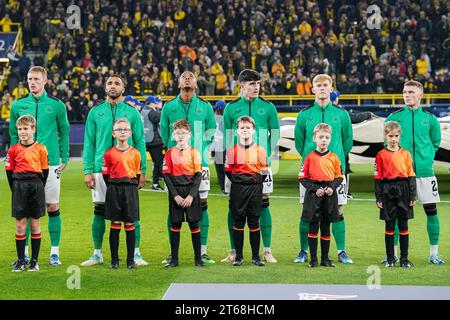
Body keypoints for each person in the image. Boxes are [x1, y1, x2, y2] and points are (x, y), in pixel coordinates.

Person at [82, 74, 148, 267]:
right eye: (109, 83)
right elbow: (89, 142)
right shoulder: (95, 112)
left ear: (123, 89)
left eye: (117, 83)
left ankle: (135, 253)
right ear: (105, 87)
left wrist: (142, 169)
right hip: (100, 169)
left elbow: (140, 141)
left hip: (128, 170)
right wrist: (88, 170)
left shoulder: (133, 113)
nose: (112, 86)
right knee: (100, 210)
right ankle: (97, 254)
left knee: (131, 212)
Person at [9, 66, 70, 267]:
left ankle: (54, 252)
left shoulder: (57, 105)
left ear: (45, 81)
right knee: (25, 210)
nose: (32, 82)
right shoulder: (18, 105)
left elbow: (64, 130)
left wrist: (64, 156)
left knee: (52, 206)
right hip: (25, 167)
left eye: (36, 79)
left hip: (50, 163)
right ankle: (24, 254)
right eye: (29, 79)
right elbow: (12, 134)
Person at [294, 74, 353, 265]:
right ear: (312, 89)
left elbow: (347, 143)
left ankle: (341, 250)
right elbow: (300, 143)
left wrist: (333, 161)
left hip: (335, 173)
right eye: (317, 85)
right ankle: (303, 251)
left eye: (325, 85)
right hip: (310, 174)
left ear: (331, 88)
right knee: (307, 211)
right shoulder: (304, 115)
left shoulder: (342, 114)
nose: (321, 88)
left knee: (338, 210)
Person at [222, 69, 280, 264]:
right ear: (241, 86)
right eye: (252, 84)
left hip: (261, 167)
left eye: (258, 84)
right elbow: (228, 137)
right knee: (234, 208)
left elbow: (276, 134)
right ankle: (233, 251)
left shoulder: (268, 107)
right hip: (237, 167)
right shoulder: (231, 108)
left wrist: (265, 156)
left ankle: (267, 250)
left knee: (264, 206)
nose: (256, 88)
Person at [160, 71, 216, 265]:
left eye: (191, 77)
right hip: (175, 164)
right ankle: (171, 252)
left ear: (196, 83)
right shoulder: (168, 107)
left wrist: (199, 147)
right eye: (183, 77)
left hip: (198, 164)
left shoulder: (205, 106)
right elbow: (164, 130)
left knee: (202, 205)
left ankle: (203, 251)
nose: (187, 79)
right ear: (178, 83)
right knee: (173, 205)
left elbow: (211, 130)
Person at [385, 80, 444, 264]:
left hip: (425, 173)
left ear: (420, 95)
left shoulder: (430, 119)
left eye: (411, 92)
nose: (407, 95)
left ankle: (434, 253)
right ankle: (393, 255)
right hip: (400, 175)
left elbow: (435, 142)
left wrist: (426, 158)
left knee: (431, 211)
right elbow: (386, 145)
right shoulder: (393, 119)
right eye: (404, 91)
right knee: (396, 215)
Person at [6, 115, 49, 272]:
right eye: (20, 129)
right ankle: (20, 260)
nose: (22, 132)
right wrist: (17, 188)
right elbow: (9, 173)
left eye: (25, 129)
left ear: (33, 129)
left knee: (35, 223)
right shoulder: (13, 150)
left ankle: (34, 261)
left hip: (36, 185)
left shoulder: (41, 149)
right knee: (20, 224)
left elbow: (45, 172)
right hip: (19, 186)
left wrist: (38, 187)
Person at [224, 116, 267, 267]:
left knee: (254, 221)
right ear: (237, 131)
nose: (245, 130)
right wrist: (240, 180)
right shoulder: (232, 151)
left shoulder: (260, 150)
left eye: (248, 128)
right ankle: (239, 257)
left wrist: (252, 181)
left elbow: (264, 172)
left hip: (255, 189)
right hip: (238, 189)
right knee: (239, 221)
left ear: (253, 131)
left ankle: (256, 257)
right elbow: (228, 171)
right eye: (242, 128)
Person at [299, 123, 343, 268]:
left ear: (330, 139)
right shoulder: (310, 157)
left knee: (326, 226)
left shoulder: (334, 157)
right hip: (313, 195)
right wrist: (314, 189)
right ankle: (313, 259)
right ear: (314, 138)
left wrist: (332, 187)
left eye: (327, 137)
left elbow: (339, 177)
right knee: (313, 227)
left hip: (329, 195)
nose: (324, 140)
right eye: (321, 137)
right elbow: (303, 178)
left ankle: (325, 258)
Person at [162, 120, 205, 268]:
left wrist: (191, 196)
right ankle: (174, 259)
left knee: (194, 224)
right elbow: (166, 176)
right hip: (176, 193)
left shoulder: (195, 152)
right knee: (175, 224)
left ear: (189, 135)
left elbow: (198, 176)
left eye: (183, 133)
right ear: (173, 135)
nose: (180, 136)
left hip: (190, 193)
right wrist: (176, 196)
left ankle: (198, 259)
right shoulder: (169, 153)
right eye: (177, 133)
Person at [374, 121, 416, 268]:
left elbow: (411, 175)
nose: (393, 139)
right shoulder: (380, 155)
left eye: (396, 136)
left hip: (403, 189)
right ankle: (391, 259)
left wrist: (412, 195)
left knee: (403, 225)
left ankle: (404, 259)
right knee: (389, 225)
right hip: (387, 190)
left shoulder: (406, 154)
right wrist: (378, 197)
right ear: (385, 136)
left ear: (400, 136)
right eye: (390, 136)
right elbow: (378, 178)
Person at [103, 118, 141, 269]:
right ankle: (114, 260)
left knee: (130, 223)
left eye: (125, 129)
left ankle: (130, 260)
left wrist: (129, 186)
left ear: (130, 133)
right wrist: (114, 185)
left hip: (130, 189)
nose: (122, 132)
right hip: (114, 189)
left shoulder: (136, 153)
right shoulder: (109, 154)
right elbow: (106, 175)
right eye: (119, 130)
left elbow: (137, 175)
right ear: (113, 134)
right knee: (115, 224)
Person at [144, 95, 165, 191]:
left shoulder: (143, 111)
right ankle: (157, 183)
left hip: (147, 140)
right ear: (152, 103)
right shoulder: (152, 113)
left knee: (156, 163)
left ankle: (155, 182)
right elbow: (161, 117)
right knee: (159, 163)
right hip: (154, 141)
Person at [210, 100, 226, 193]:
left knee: (219, 169)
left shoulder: (212, 118)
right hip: (222, 147)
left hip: (214, 147)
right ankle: (227, 186)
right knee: (226, 169)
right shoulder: (224, 119)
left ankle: (222, 187)